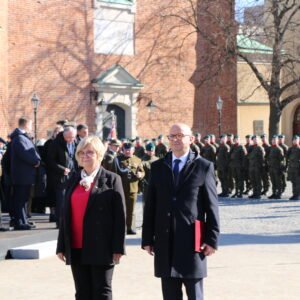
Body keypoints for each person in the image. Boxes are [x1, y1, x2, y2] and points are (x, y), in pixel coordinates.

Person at [142, 123, 220, 300]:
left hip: (193, 241)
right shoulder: (158, 167)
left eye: (180, 135)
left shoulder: (204, 167)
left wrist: (212, 239)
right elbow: (150, 205)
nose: (176, 139)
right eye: (172, 136)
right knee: (170, 294)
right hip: (165, 240)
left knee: (195, 294)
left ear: (191, 139)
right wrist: (147, 238)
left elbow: (212, 207)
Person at [56, 136, 126, 300]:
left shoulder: (112, 179)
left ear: (99, 154)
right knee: (82, 292)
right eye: (81, 152)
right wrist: (61, 245)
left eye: (89, 152)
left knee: (101, 291)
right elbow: (65, 215)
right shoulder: (73, 179)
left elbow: (120, 217)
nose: (84, 156)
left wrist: (118, 247)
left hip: (102, 246)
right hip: (76, 245)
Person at [10, 117, 41, 230]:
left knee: (24, 199)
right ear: (26, 124)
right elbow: (24, 154)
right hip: (22, 175)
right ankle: (19, 221)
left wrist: (37, 159)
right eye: (30, 124)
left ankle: (23, 220)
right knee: (20, 199)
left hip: (25, 174)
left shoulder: (23, 137)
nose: (31, 126)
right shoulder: (19, 138)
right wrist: (36, 161)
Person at [47, 126, 77, 227]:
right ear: (63, 135)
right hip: (60, 177)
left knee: (72, 199)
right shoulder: (55, 144)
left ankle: (70, 221)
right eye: (68, 137)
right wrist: (62, 169)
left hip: (73, 175)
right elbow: (50, 161)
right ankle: (60, 222)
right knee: (61, 200)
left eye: (72, 137)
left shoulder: (75, 142)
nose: (70, 140)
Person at [113, 142, 144, 234]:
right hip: (120, 188)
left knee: (131, 210)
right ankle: (120, 228)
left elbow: (142, 172)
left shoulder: (138, 160)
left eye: (129, 150)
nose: (127, 151)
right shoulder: (117, 160)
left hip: (132, 189)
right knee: (120, 209)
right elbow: (114, 173)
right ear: (122, 150)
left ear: (133, 150)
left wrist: (140, 174)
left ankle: (130, 228)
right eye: (126, 150)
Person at [267, 135, 284, 199]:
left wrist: (280, 169)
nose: (273, 141)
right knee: (273, 181)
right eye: (272, 140)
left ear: (277, 141)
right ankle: (274, 193)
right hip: (271, 168)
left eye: (275, 140)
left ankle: (279, 194)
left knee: (278, 182)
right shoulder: (271, 148)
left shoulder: (279, 149)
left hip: (277, 168)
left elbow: (282, 160)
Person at [287, 135, 300, 200]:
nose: (295, 141)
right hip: (292, 168)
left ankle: (297, 195)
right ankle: (294, 194)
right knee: (293, 182)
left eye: (296, 140)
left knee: (298, 182)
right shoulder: (290, 149)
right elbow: (287, 158)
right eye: (294, 140)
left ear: (298, 141)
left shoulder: (299, 149)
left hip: (297, 168)